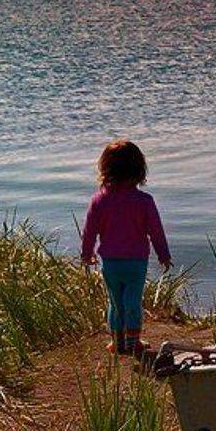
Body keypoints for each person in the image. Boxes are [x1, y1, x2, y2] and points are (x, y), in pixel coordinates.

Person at [81, 139, 172, 357]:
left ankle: (117, 342)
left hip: (111, 262)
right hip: (136, 262)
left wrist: (87, 254)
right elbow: (156, 231)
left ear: (105, 169)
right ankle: (133, 342)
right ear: (139, 169)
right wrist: (164, 255)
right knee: (132, 301)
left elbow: (89, 232)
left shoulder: (99, 201)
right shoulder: (144, 201)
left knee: (115, 302)